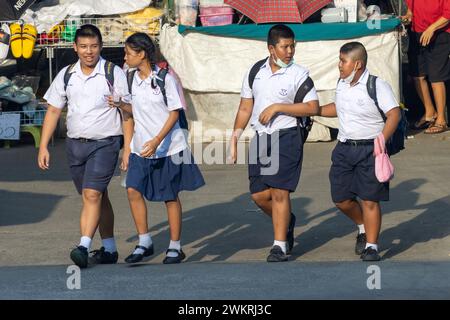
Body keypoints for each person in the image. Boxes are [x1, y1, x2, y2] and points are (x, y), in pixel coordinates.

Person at [38, 24, 129, 268]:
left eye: (94, 46)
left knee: (92, 194)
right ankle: (109, 249)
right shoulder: (67, 74)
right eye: (84, 47)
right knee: (97, 196)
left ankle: (83, 247)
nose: (89, 51)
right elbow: (54, 109)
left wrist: (127, 147)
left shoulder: (113, 73)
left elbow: (130, 113)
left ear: (101, 47)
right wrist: (43, 146)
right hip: (75, 146)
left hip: (105, 143)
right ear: (75, 48)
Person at [230, 24, 319, 262]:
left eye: (292, 46)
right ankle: (287, 220)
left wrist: (279, 107)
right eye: (284, 46)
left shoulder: (299, 74)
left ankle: (279, 245)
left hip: (287, 136)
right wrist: (234, 137)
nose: (290, 51)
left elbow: (313, 107)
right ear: (271, 48)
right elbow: (245, 106)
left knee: (280, 191)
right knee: (259, 195)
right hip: (260, 139)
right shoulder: (255, 71)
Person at [120, 33, 205, 264]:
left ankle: (175, 247)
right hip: (140, 146)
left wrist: (157, 140)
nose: (125, 56)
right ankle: (144, 241)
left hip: (168, 146)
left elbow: (174, 112)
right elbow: (132, 110)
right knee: (132, 190)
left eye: (128, 52)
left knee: (169, 196)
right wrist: (120, 106)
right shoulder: (130, 79)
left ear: (142, 54)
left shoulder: (164, 78)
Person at [318, 42, 401, 261]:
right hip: (344, 149)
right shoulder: (342, 83)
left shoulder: (377, 85)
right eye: (339, 60)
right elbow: (338, 107)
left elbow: (394, 114)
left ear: (357, 64)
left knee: (370, 200)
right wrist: (314, 110)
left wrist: (382, 140)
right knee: (341, 198)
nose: (339, 65)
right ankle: (363, 226)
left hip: (370, 150)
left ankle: (372, 246)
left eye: (343, 61)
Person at [402, 0, 450, 133]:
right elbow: (411, 9)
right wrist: (408, 16)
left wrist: (432, 28)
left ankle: (441, 120)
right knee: (418, 75)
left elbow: (447, 15)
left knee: (436, 77)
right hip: (417, 32)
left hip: (440, 34)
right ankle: (430, 112)